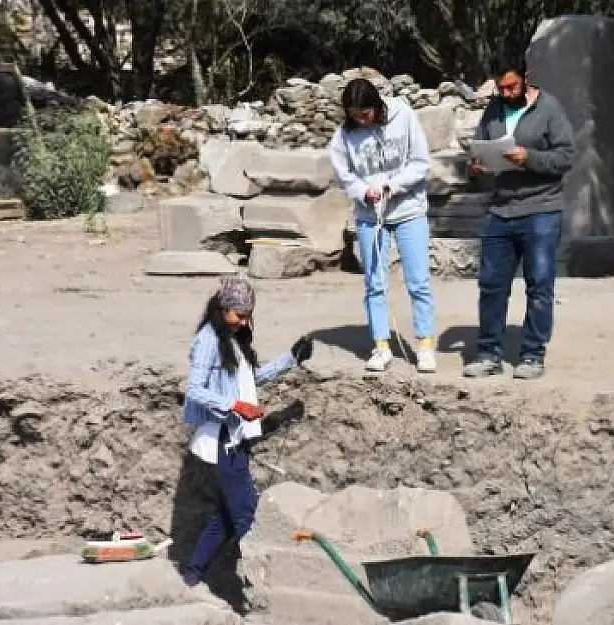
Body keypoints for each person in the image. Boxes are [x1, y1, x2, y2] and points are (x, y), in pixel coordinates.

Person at [180, 277, 313, 587]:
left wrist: (291, 358)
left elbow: (251, 379)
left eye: (247, 316)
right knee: (247, 517)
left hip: (236, 436)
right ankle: (249, 580)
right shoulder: (208, 340)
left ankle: (193, 575)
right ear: (223, 309)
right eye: (239, 316)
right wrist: (236, 406)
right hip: (222, 438)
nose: (243, 322)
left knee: (226, 517)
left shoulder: (232, 339)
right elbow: (194, 390)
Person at [462, 61, 575, 380]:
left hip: (541, 208)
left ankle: (532, 355)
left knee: (539, 284)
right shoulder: (493, 110)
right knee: (491, 285)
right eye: (501, 88)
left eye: (511, 86)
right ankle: (488, 353)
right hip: (500, 209)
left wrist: (530, 158)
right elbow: (479, 151)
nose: (506, 93)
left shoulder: (550, 108)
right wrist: (476, 168)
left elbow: (567, 156)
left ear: (526, 79)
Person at [329, 78, 437, 373]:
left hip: (408, 210)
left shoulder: (404, 115)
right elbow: (343, 174)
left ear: (377, 106)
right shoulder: (344, 136)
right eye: (354, 116)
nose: (361, 121)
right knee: (375, 283)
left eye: (366, 114)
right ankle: (381, 345)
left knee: (418, 281)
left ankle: (425, 345)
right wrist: (363, 191)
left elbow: (420, 162)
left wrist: (392, 186)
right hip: (370, 217)